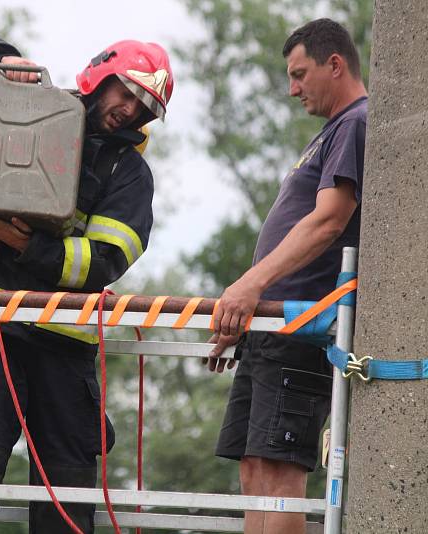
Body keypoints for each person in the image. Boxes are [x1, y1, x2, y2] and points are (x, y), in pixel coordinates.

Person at [0, 37, 173, 534]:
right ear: (100, 77)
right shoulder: (20, 109)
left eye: (143, 107)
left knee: (66, 503)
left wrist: (24, 245)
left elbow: (103, 261)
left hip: (65, 345)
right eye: (126, 93)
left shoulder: (128, 175)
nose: (129, 110)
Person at [206, 18, 367, 534]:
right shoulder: (331, 134)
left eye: (300, 74)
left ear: (334, 64)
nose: (292, 88)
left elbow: (328, 221)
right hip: (271, 327)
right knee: (255, 470)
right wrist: (245, 310)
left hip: (301, 328)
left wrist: (247, 287)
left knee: (278, 478)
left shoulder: (357, 122)